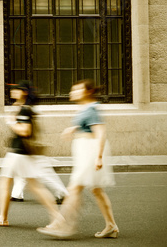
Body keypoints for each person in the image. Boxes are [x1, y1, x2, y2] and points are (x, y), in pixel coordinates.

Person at [37, 79, 118, 239]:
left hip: (90, 150)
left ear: (87, 92)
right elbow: (86, 126)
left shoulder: (92, 108)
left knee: (75, 188)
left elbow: (100, 132)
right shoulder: (85, 108)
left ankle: (62, 225)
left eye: (77, 90)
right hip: (84, 149)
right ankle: (111, 226)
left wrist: (99, 157)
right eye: (72, 90)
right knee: (96, 190)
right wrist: (74, 128)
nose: (72, 92)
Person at [0, 81, 65, 227]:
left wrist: (11, 122)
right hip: (19, 152)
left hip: (18, 153)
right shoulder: (22, 108)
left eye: (16, 89)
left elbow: (25, 131)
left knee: (17, 184)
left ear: (24, 92)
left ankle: (3, 218)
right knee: (30, 185)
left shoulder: (24, 110)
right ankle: (3, 218)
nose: (12, 91)